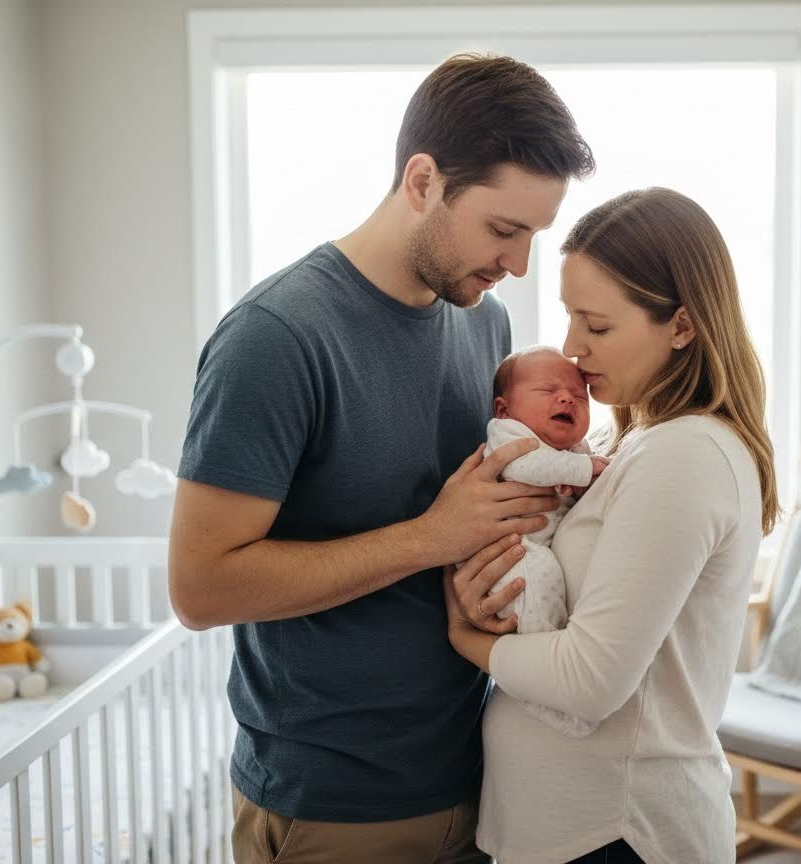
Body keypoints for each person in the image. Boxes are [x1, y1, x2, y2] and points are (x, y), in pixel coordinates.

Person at [167, 53, 593, 864]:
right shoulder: (275, 339)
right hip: (335, 801)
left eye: (531, 236)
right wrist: (428, 538)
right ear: (423, 180)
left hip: (480, 772)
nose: (517, 265)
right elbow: (199, 588)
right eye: (504, 230)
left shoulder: (484, 325)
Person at [444, 188, 779, 864]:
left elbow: (589, 680)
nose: (572, 348)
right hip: (577, 829)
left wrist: (465, 638)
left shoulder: (685, 454)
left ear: (681, 327)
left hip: (619, 832)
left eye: (596, 327)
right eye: (570, 318)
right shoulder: (630, 444)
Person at [479, 345, 610, 736]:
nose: (567, 397)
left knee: (550, 584)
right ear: (504, 408)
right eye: (548, 390)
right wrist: (586, 469)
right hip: (507, 554)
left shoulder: (575, 450)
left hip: (532, 545)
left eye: (580, 396)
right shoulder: (509, 434)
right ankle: (547, 692)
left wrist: (586, 469)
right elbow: (523, 466)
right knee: (538, 575)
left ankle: (552, 664)